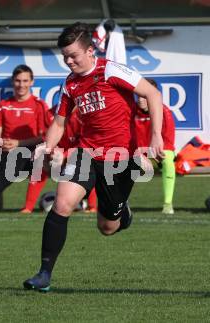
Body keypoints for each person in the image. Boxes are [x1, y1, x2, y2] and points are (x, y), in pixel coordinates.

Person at [23, 22, 164, 292]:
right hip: (86, 153)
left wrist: (155, 135)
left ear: (90, 50)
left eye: (73, 55)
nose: (68, 61)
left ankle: (123, 215)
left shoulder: (111, 70)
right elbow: (60, 122)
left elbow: (152, 94)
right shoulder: (71, 83)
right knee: (62, 204)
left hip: (119, 159)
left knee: (107, 227)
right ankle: (43, 274)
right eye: (64, 56)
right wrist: (46, 146)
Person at [0, 64, 47, 213]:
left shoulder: (39, 105)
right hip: (6, 151)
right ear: (13, 82)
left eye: (25, 81)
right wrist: (2, 145)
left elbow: (43, 137)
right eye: (18, 81)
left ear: (32, 82)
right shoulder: (3, 105)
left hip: (30, 154)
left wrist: (19, 143)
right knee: (4, 158)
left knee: (17, 155)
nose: (21, 85)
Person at [21, 105, 98, 213]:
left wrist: (65, 155)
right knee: (39, 162)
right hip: (56, 155)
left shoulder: (86, 114)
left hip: (78, 155)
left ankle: (92, 207)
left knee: (87, 165)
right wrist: (49, 151)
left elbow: (86, 143)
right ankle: (28, 208)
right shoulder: (50, 113)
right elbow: (46, 138)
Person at [135, 78, 176, 214]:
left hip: (157, 155)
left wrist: (149, 153)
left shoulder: (165, 112)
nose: (140, 99)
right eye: (138, 95)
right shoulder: (130, 111)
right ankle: (120, 205)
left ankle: (167, 204)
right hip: (137, 155)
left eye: (144, 96)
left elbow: (168, 144)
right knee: (115, 160)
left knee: (168, 160)